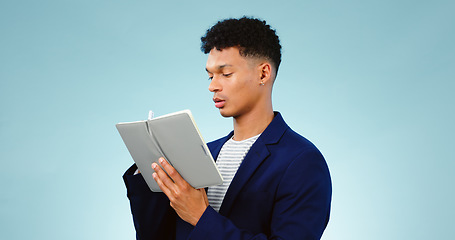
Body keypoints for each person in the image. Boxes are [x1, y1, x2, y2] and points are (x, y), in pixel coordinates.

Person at [123, 17, 332, 240]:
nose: (212, 85)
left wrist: (200, 216)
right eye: (210, 75)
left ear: (263, 73)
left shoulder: (302, 161)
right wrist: (149, 166)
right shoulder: (203, 153)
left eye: (225, 74)